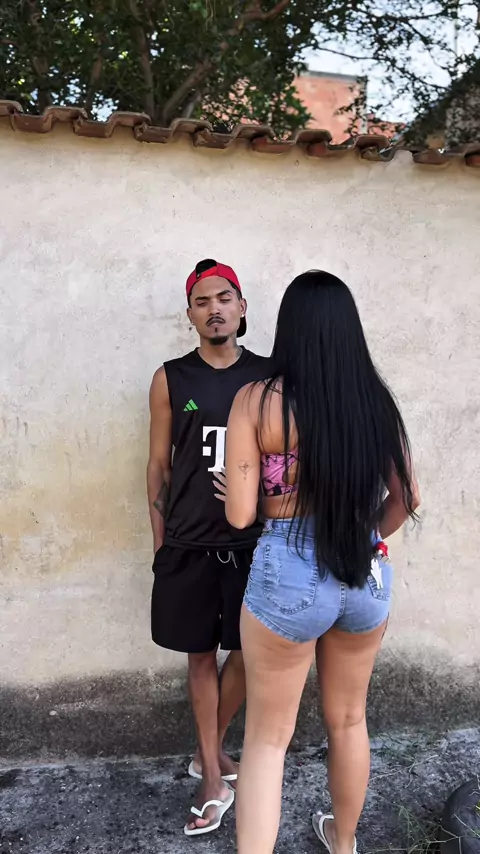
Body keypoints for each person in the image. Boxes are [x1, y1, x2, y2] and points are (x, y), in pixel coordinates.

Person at [217, 270, 420, 854]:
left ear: (290, 329)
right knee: (350, 720)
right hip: (363, 565)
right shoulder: (374, 401)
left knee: (266, 740)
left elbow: (239, 515)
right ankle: (344, 840)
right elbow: (408, 497)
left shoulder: (256, 400)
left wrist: (247, 490)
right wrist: (366, 534)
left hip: (288, 566)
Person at [147, 258, 270, 837]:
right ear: (190, 314)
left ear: (242, 307)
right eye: (202, 302)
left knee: (247, 653)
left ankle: (209, 750)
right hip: (190, 543)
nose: (214, 309)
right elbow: (158, 466)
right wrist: (161, 542)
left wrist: (260, 494)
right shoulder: (171, 378)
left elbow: (291, 456)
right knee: (199, 656)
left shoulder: (272, 375)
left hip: (255, 543)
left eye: (224, 299)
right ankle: (213, 778)